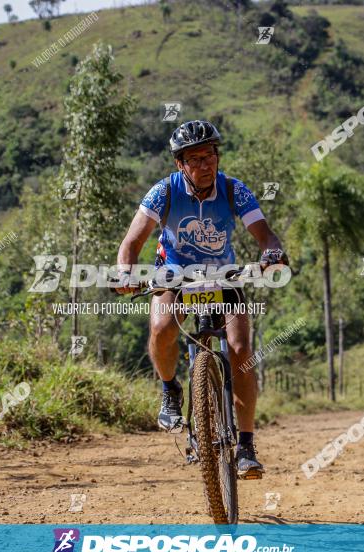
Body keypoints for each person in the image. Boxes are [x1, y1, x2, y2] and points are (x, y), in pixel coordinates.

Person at [115, 120, 288, 479]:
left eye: (210, 155)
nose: (205, 164)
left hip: (224, 276)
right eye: (195, 158)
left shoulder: (233, 191)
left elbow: (265, 235)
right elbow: (131, 244)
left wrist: (273, 254)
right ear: (180, 164)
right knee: (162, 329)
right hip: (175, 275)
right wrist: (125, 273)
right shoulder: (162, 193)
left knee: (240, 351)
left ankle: (245, 445)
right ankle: (170, 388)